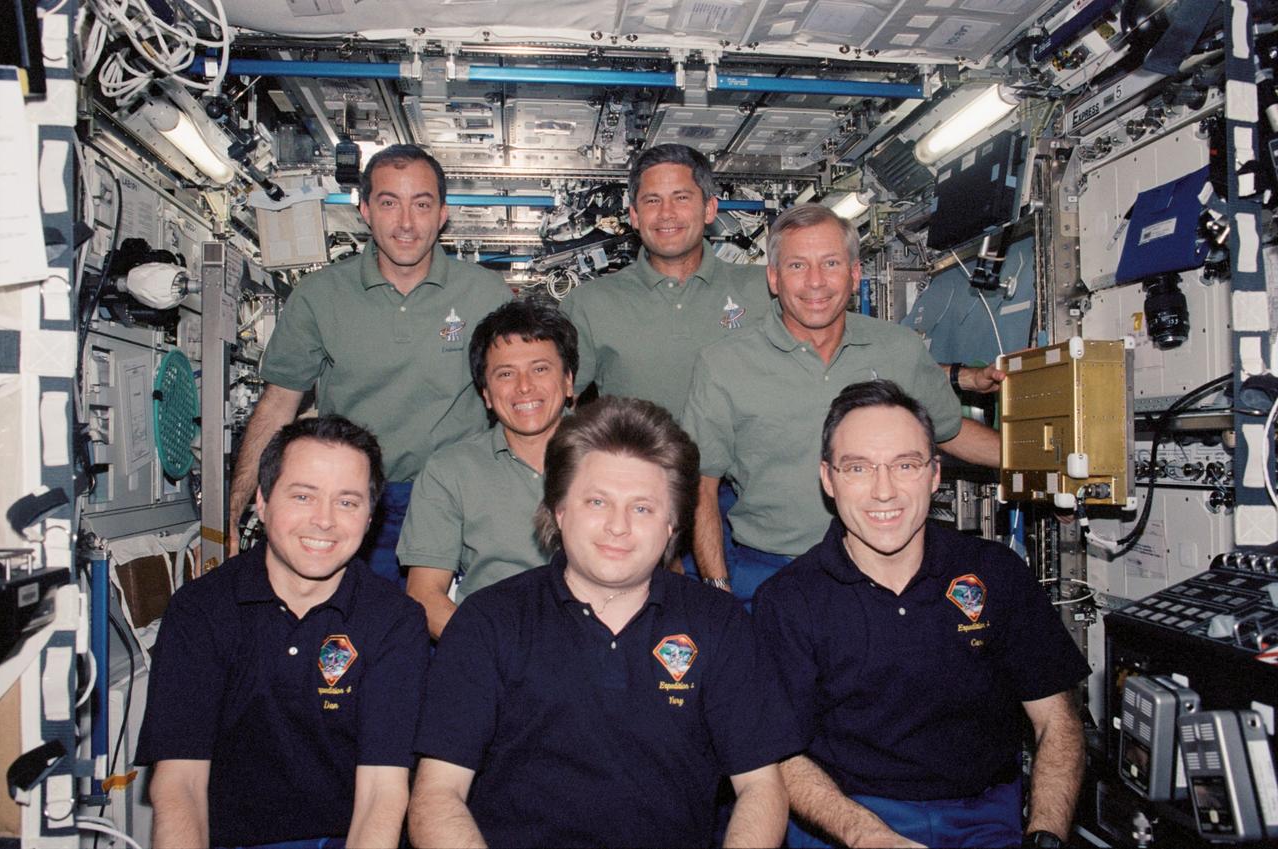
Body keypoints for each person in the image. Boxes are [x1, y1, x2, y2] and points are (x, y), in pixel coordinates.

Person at [409, 397, 797, 848]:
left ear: (672, 525)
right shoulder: (488, 622)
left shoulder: (718, 621)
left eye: (643, 508)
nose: (618, 526)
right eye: (597, 501)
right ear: (559, 510)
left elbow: (761, 787)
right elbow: (437, 796)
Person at [753, 381, 1087, 849]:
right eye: (858, 468)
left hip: (986, 816)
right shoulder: (788, 601)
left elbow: (1057, 718)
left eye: (905, 465)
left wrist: (1045, 832)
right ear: (828, 479)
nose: (884, 491)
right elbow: (777, 753)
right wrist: (866, 834)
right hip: (846, 816)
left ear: (934, 474)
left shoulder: (996, 574)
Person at [681, 202, 1003, 604]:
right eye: (797, 266)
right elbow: (701, 487)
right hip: (771, 573)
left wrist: (1043, 462)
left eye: (831, 263)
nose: (816, 282)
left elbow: (949, 431)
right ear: (774, 278)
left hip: (888, 573)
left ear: (854, 276)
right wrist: (718, 594)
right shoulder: (724, 365)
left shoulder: (898, 350)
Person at [137, 416, 430, 849]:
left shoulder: (395, 622)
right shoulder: (201, 611)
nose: (324, 521)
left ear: (371, 516)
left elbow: (381, 795)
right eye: (303, 496)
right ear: (262, 500)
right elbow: (179, 784)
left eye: (347, 502)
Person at [228, 144, 512, 585]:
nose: (405, 223)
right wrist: (233, 512)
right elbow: (279, 404)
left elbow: (522, 401)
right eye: (388, 203)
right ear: (364, 210)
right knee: (360, 640)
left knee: (462, 638)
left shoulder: (485, 295)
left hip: (459, 500)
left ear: (442, 214)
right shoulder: (320, 297)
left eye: (421, 204)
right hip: (355, 502)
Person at [397, 296, 577, 638]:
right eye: (505, 374)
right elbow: (425, 595)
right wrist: (493, 655)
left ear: (568, 381)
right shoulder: (449, 471)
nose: (524, 387)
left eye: (540, 369)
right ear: (486, 395)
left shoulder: (617, 460)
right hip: (494, 651)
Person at [558, 143, 773, 416]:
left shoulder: (764, 291)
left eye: (681, 198)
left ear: (709, 209)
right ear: (634, 216)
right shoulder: (589, 304)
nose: (666, 213)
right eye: (652, 200)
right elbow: (554, 401)